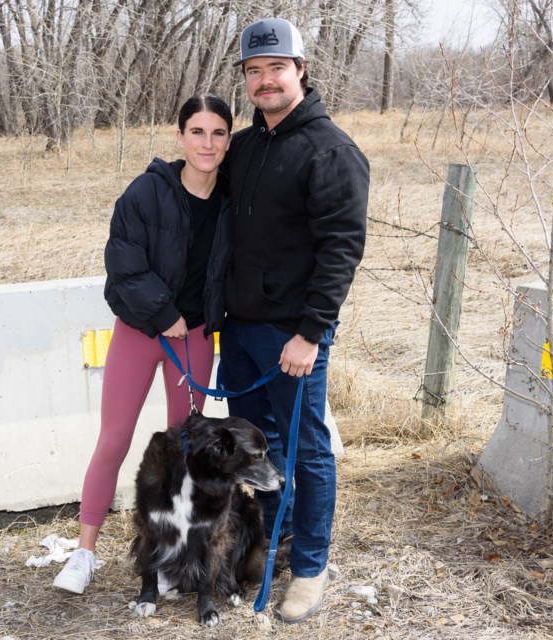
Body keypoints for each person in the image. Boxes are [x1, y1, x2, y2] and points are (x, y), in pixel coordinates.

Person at [219, 17, 369, 623]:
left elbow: (341, 250)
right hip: (241, 331)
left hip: (294, 336)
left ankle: (310, 567)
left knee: (308, 451)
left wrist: (311, 333)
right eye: (254, 72)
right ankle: (276, 537)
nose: (265, 81)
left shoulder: (331, 151)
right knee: (258, 447)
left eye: (276, 68)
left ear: (301, 70)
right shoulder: (248, 147)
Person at [53, 94, 233, 595]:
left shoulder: (234, 200)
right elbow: (124, 263)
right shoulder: (146, 192)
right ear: (180, 137)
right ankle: (85, 553)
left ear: (228, 141)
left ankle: (177, 557)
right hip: (140, 331)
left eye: (218, 133)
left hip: (196, 338)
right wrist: (163, 313)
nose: (207, 143)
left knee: (185, 450)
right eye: (197, 132)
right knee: (113, 440)